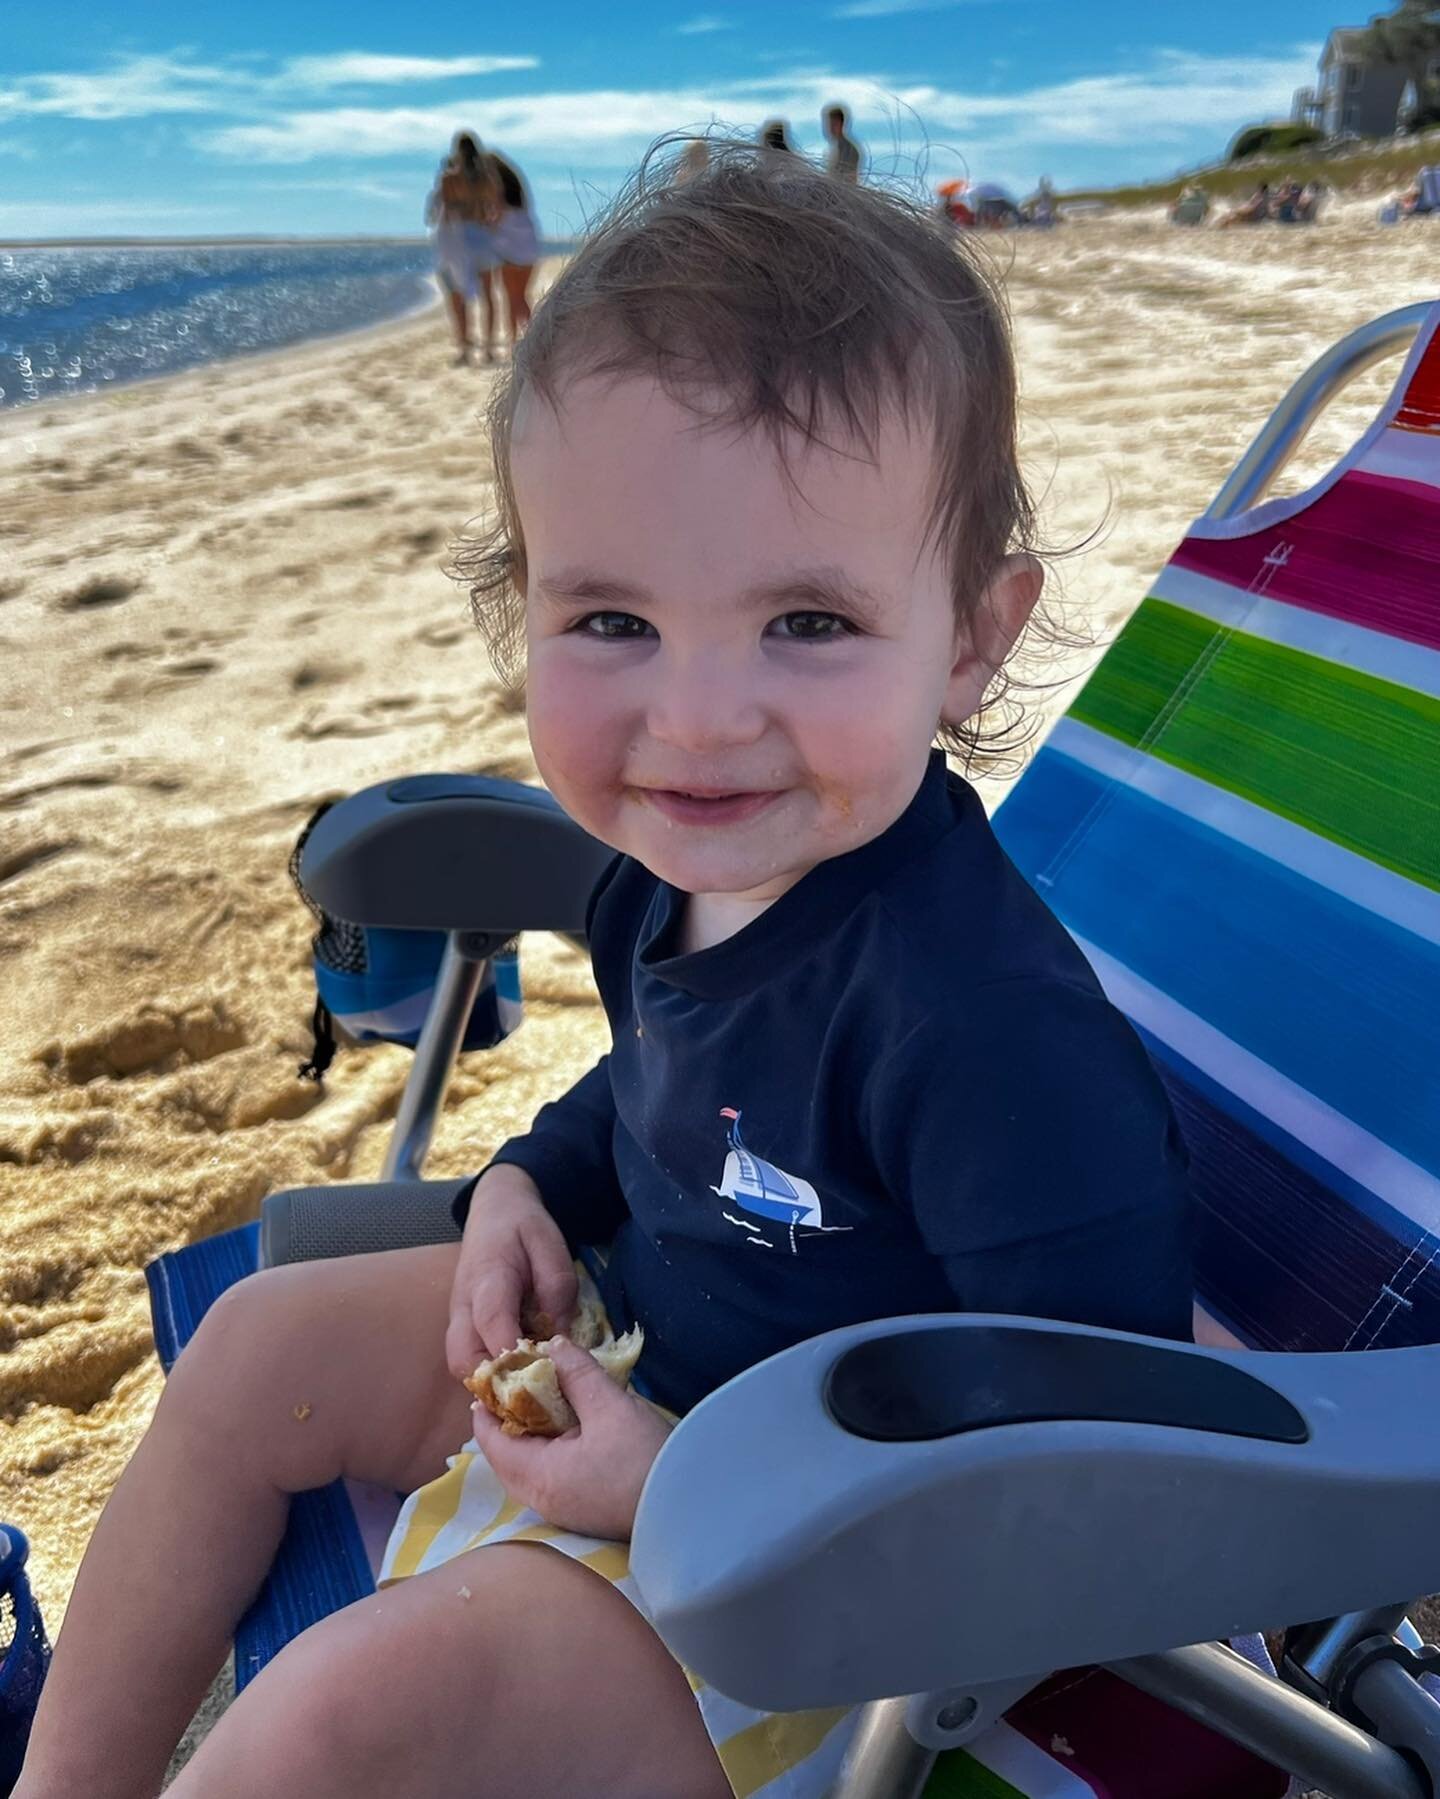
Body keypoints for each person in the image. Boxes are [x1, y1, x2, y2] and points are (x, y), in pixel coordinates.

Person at [17, 143, 1193, 1799]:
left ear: (974, 635)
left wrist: (687, 1481)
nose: (696, 716)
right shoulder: (673, 876)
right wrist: (530, 1175)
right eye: (614, 621)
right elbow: (666, 1080)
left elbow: (1106, 1467)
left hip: (833, 1614)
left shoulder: (985, 1029)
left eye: (804, 619)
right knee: (261, 1348)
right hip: (647, 1406)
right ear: (524, 610)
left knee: (362, 1702)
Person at [426, 131, 500, 364]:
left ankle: (466, 348)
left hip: (458, 237)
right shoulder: (487, 178)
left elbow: (446, 212)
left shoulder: (450, 178)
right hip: (482, 236)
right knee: (488, 295)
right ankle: (488, 348)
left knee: (458, 295)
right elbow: (496, 209)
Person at [486, 147, 540, 347]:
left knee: (512, 297)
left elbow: (495, 217)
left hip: (507, 245)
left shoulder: (494, 186)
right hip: (528, 244)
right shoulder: (517, 189)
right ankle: (531, 336)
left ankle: (514, 341)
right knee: (521, 296)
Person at [822, 102, 861, 182]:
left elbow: (847, 177)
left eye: (834, 124)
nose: (830, 128)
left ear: (842, 124)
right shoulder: (832, 147)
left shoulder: (849, 148)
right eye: (829, 124)